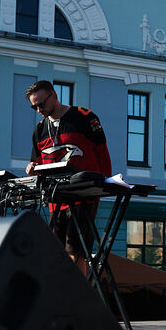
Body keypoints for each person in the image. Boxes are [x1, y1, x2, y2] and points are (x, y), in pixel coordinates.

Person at [25, 80, 112, 275]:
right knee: (56, 252)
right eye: (34, 106)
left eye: (41, 104)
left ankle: (76, 299)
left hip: (84, 195)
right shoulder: (40, 130)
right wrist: (32, 169)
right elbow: (37, 163)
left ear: (54, 96)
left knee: (76, 250)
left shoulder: (84, 117)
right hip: (55, 200)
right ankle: (61, 296)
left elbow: (102, 154)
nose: (38, 109)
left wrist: (103, 184)